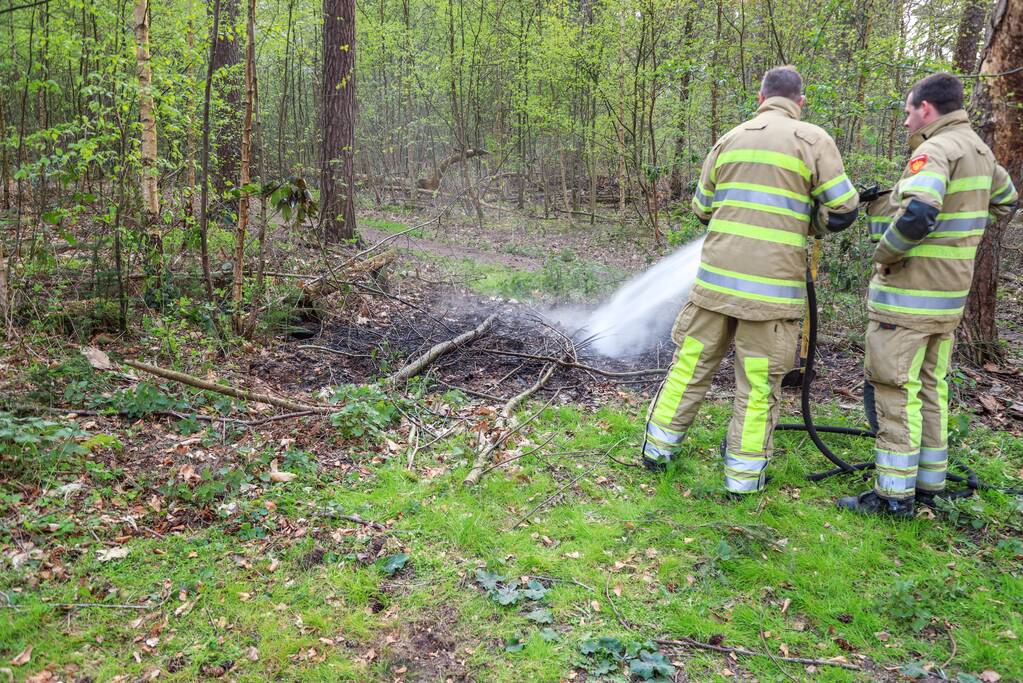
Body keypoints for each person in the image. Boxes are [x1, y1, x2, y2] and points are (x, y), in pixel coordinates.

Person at [641, 66, 859, 495]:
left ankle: (656, 451)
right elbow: (846, 210)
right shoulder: (813, 140)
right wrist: (810, 217)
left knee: (688, 369)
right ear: (800, 101)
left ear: (761, 97)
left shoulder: (730, 138)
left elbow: (702, 208)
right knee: (757, 386)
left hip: (714, 288)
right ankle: (742, 480)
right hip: (770, 298)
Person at [839, 72, 1019, 517]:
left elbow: (919, 212)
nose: (904, 122)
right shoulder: (978, 150)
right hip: (948, 300)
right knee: (930, 391)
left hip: (909, 299)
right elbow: (1007, 201)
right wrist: (961, 242)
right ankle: (928, 485)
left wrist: (887, 253)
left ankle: (893, 497)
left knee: (895, 390)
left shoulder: (935, 149)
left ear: (926, 109)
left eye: (907, 112)